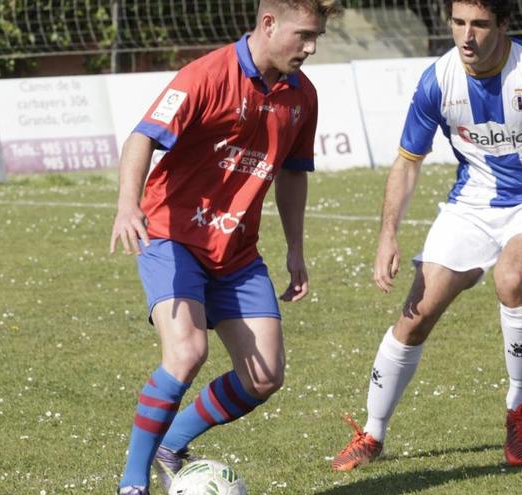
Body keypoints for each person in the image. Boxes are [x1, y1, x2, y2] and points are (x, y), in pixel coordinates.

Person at [331, 0, 522, 472]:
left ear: (504, 25)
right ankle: (371, 433)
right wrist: (387, 235)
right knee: (415, 316)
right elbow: (408, 162)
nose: (466, 36)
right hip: (470, 207)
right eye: (458, 23)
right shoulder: (438, 80)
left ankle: (519, 406)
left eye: (479, 24)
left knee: (511, 279)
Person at [109, 1, 343, 493]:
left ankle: (172, 443)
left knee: (264, 376)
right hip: (172, 237)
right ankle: (132, 483)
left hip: (236, 251)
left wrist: (296, 248)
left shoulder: (303, 96)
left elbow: (294, 173)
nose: (311, 47)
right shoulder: (206, 75)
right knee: (187, 351)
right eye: (303, 35)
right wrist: (128, 207)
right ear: (268, 23)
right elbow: (141, 138)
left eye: (316, 36)